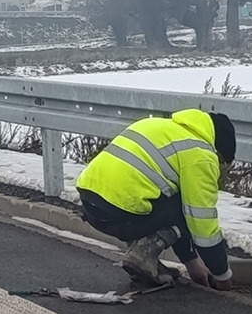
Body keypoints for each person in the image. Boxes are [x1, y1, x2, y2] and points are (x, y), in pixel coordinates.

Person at [76, 109, 237, 291]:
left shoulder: (158, 126)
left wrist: (192, 264)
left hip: (91, 204)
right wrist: (222, 275)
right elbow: (202, 224)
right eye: (221, 161)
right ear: (217, 148)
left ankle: (149, 262)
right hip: (121, 213)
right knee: (188, 207)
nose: (219, 166)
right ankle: (142, 256)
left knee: (160, 196)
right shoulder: (200, 154)